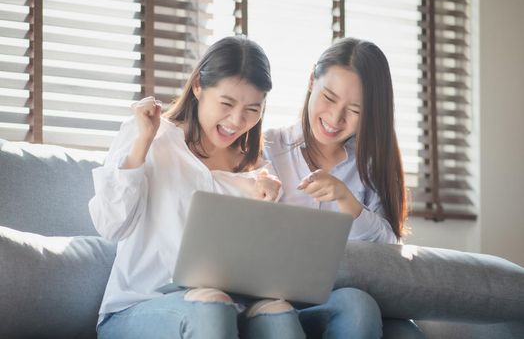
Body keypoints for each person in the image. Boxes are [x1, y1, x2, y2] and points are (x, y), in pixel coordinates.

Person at [90, 36, 304, 339]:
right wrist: (142, 145)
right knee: (211, 306)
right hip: (140, 306)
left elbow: (260, 265)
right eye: (227, 103)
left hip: (231, 305)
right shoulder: (148, 136)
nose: (237, 120)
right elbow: (110, 226)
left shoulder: (255, 168)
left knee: (279, 314)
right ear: (198, 87)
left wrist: (268, 206)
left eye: (252, 109)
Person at [264, 37, 423, 338]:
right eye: (329, 97)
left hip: (338, 297)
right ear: (312, 80)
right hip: (275, 299)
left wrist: (348, 203)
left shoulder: (369, 166)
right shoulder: (268, 147)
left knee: (401, 330)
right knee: (358, 306)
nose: (335, 119)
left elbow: (391, 255)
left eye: (355, 110)